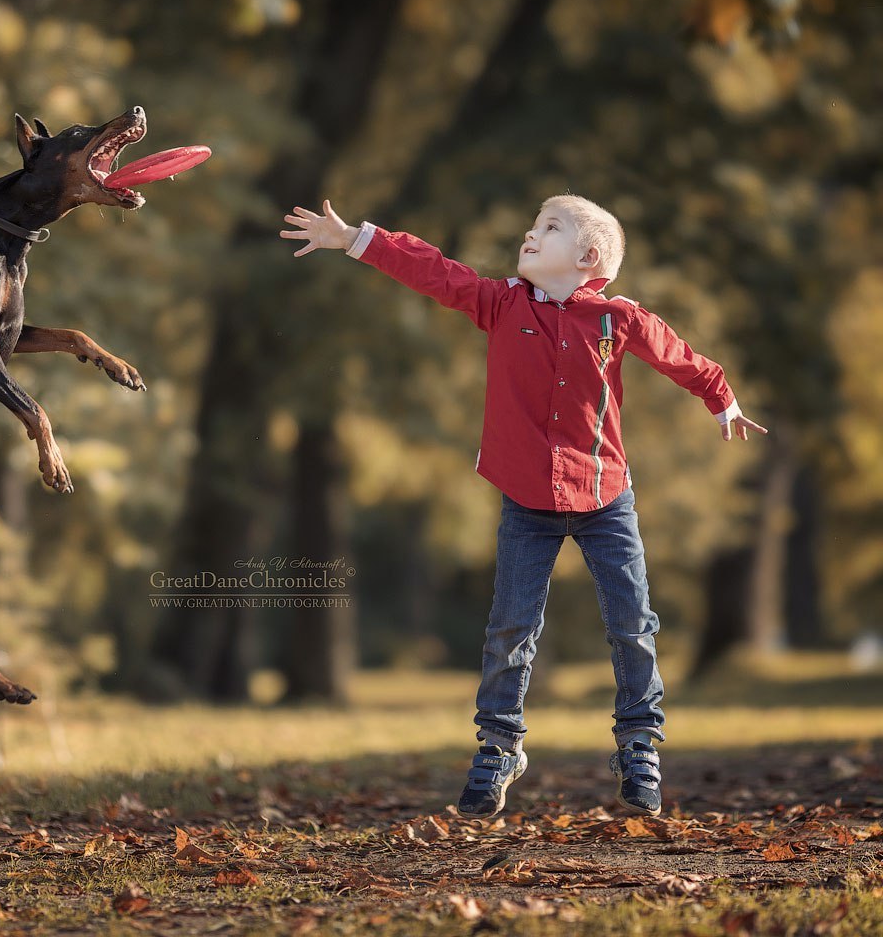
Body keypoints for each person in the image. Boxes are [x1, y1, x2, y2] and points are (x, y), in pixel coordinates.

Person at [279, 195, 768, 817]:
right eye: (534, 224)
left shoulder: (619, 319)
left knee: (633, 625)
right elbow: (434, 269)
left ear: (589, 258)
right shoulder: (502, 303)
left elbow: (680, 356)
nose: (530, 234)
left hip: (604, 496)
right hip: (526, 501)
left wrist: (722, 399)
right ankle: (499, 746)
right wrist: (354, 239)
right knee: (511, 627)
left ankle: (640, 744)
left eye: (550, 228)